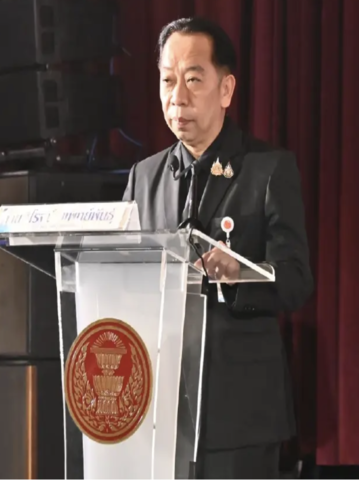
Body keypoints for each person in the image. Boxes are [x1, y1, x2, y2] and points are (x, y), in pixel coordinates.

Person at [122, 17, 314, 479]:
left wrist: (240, 272)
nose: (177, 97)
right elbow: (125, 276)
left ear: (225, 90)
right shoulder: (143, 177)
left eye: (192, 79)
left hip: (238, 411)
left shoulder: (267, 170)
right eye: (167, 80)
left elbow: (296, 280)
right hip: (157, 407)